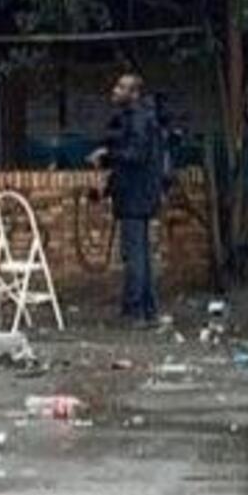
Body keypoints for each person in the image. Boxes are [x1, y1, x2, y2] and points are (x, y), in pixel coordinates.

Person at [95, 73, 166, 326]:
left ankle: (135, 311)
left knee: (134, 253)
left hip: (135, 193)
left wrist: (108, 155)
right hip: (143, 193)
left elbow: (135, 155)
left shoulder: (137, 119)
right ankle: (148, 310)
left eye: (121, 87)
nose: (115, 91)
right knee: (142, 254)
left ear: (134, 93)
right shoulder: (143, 118)